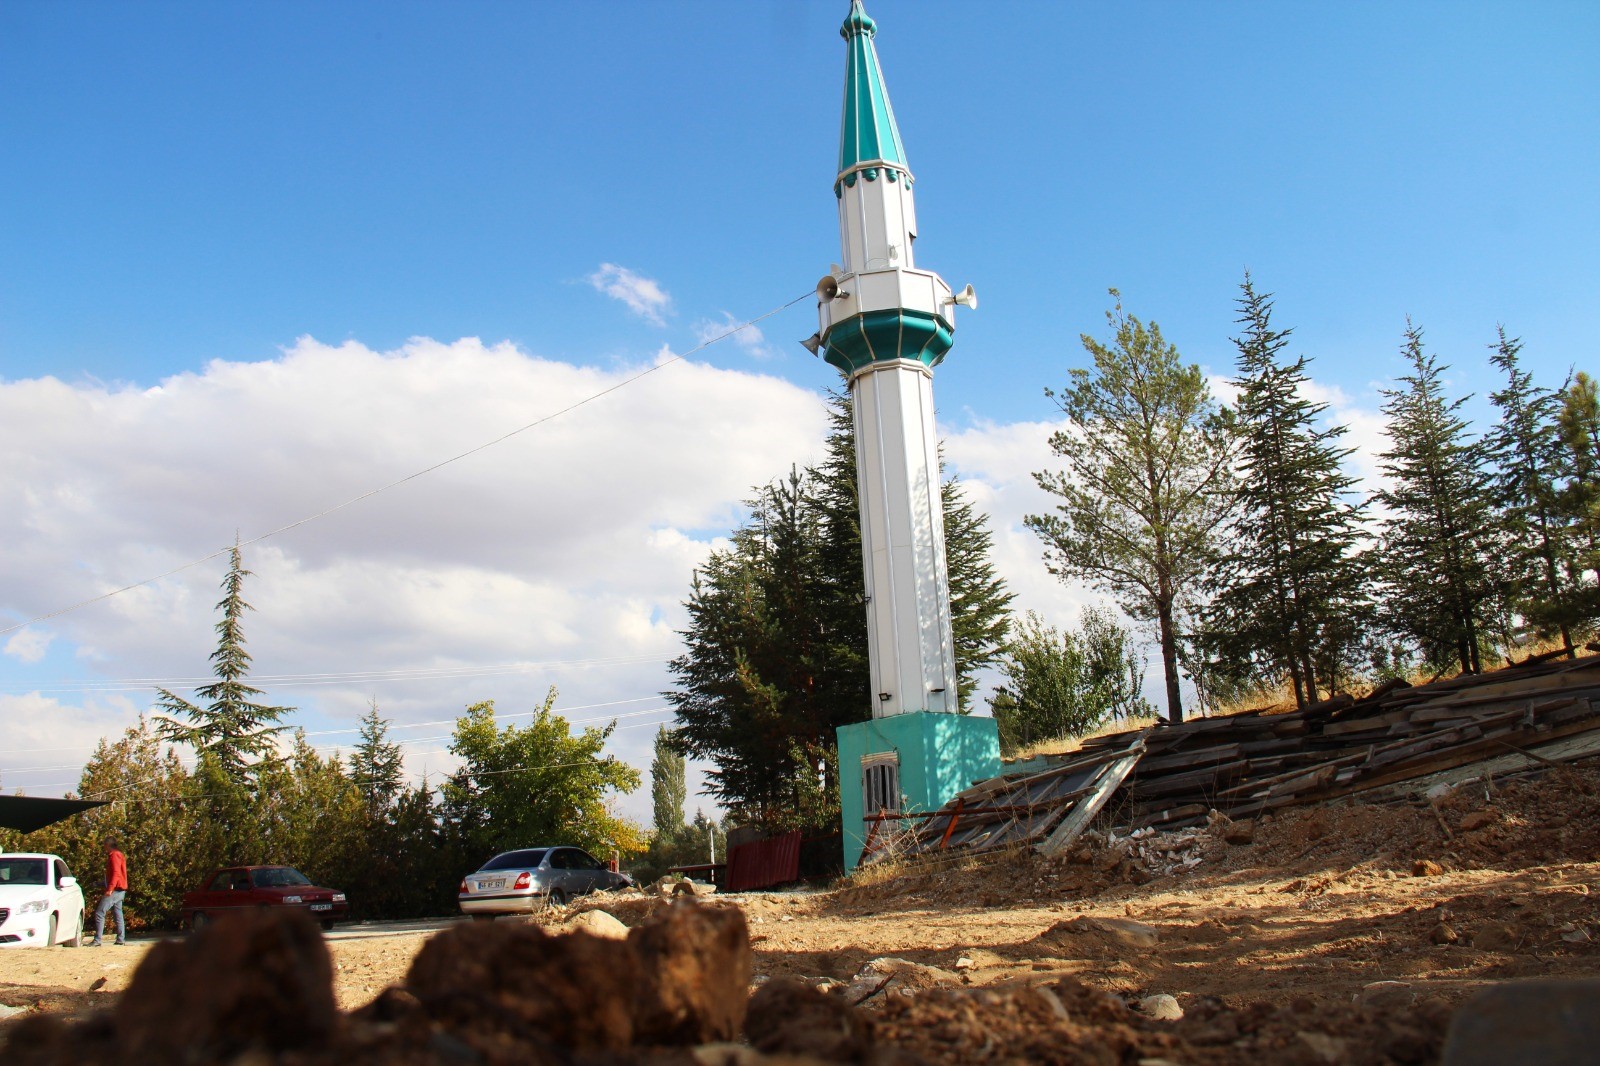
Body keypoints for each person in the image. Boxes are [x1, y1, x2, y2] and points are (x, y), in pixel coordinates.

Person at [90, 839, 128, 946]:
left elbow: (116, 873)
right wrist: (99, 884)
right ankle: (121, 939)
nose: (103, 847)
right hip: (120, 890)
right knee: (118, 914)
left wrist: (110, 889)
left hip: (115, 890)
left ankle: (97, 940)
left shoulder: (115, 855)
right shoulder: (118, 854)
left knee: (100, 913)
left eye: (104, 845)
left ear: (108, 845)